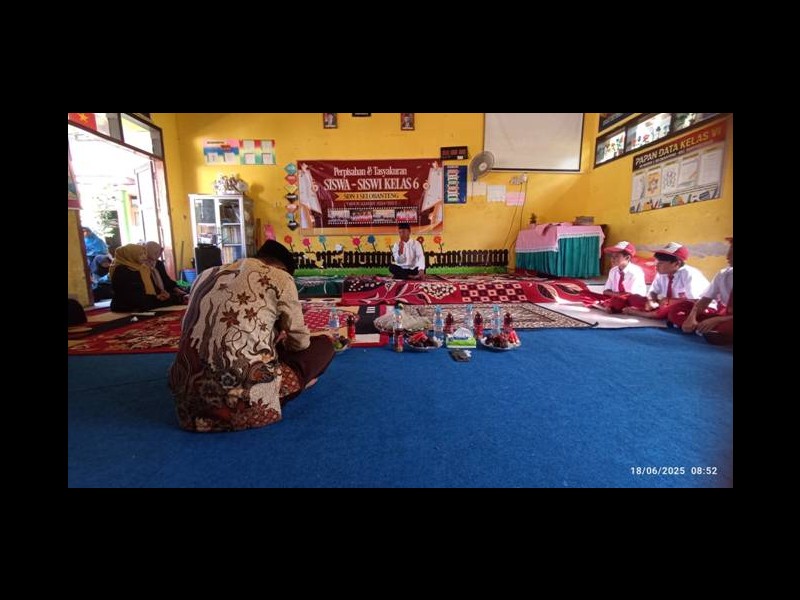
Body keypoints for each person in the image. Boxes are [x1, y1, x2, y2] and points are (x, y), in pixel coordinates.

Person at [168, 240, 336, 432]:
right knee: (324, 345)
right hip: (244, 401)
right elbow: (299, 341)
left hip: (187, 403)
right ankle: (295, 385)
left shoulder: (204, 275)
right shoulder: (281, 278)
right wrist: (285, 343)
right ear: (283, 268)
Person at [620, 242, 710, 320]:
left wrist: (669, 301)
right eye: (656, 262)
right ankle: (657, 312)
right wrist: (652, 301)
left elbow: (694, 301)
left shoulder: (689, 274)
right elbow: (653, 292)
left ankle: (645, 314)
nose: (656, 266)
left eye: (661, 263)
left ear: (677, 263)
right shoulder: (662, 273)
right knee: (634, 298)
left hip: (696, 308)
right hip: (666, 305)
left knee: (675, 314)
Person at [669, 237, 733, 344]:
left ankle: (713, 330)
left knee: (728, 326)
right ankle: (707, 329)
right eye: (730, 250)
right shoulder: (723, 274)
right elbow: (705, 300)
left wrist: (719, 320)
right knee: (676, 311)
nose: (728, 255)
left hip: (727, 320)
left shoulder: (689, 273)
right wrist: (691, 317)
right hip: (723, 316)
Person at [109, 244, 175, 312]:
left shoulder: (142, 268)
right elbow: (128, 294)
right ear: (131, 255)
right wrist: (156, 298)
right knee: (165, 302)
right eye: (140, 254)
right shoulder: (122, 270)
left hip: (143, 299)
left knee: (171, 299)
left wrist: (160, 295)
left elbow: (153, 286)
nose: (145, 257)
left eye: (144, 253)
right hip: (127, 304)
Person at [591, 241, 647, 313]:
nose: (612, 259)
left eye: (616, 256)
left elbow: (629, 295)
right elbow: (605, 291)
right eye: (612, 256)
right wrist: (617, 295)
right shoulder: (613, 271)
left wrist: (615, 295)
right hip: (615, 298)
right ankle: (609, 306)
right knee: (584, 293)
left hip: (631, 300)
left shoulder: (635, 272)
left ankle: (607, 305)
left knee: (618, 301)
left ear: (627, 258)